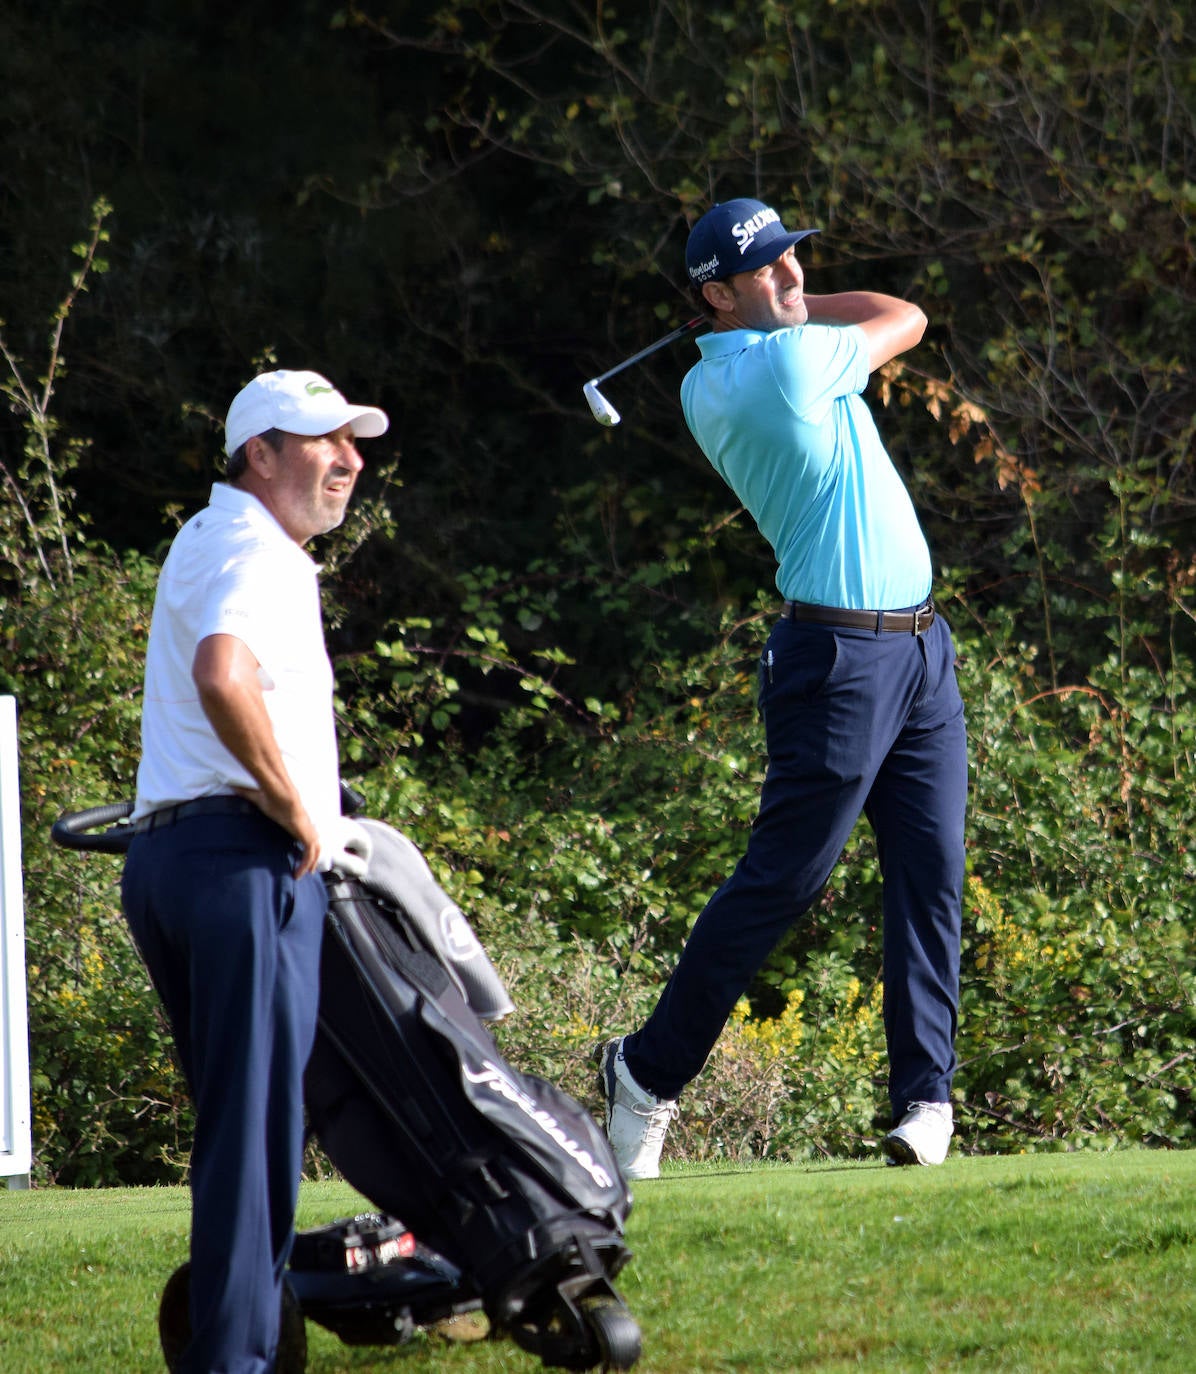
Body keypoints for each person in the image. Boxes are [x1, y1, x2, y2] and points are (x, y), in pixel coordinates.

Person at [599, 198, 968, 1179]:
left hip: (918, 649)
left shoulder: (712, 375)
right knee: (784, 881)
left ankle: (923, 1099)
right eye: (767, 270)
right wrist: (792, 314)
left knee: (931, 869)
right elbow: (904, 313)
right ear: (715, 293)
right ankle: (644, 1074)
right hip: (838, 662)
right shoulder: (789, 367)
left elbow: (812, 312)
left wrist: (765, 303)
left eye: (795, 260)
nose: (794, 277)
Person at [121, 369, 388, 1372]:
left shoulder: (205, 536)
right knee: (255, 1139)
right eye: (323, 440)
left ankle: (259, 1345)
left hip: (169, 861)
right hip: (239, 862)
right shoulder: (256, 551)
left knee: (245, 1133)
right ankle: (233, 1360)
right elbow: (223, 677)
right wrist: (293, 808)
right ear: (259, 454)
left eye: (353, 441)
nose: (349, 459)